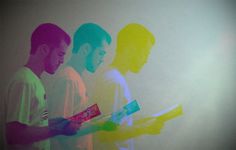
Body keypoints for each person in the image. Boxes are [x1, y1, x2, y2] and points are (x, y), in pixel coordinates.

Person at [3, 23, 79, 150]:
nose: (62, 61)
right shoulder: (24, 82)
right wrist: (57, 129)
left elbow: (35, 123)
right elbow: (14, 135)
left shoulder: (35, 81)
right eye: (60, 54)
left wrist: (57, 123)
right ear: (44, 49)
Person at [91, 23, 157, 150]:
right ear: (131, 48)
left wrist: (138, 120)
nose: (146, 59)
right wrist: (144, 128)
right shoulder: (114, 82)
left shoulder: (115, 78)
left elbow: (115, 120)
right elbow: (105, 133)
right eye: (145, 53)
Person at [47, 23, 112, 150]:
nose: (102, 59)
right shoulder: (69, 79)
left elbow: (73, 121)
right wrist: (100, 125)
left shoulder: (76, 78)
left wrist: (97, 115)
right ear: (85, 49)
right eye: (100, 53)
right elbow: (60, 130)